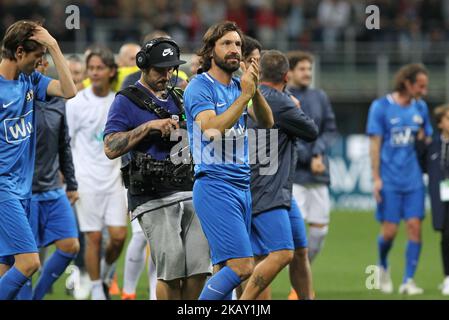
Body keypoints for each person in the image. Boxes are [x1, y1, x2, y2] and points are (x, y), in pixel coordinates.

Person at [103, 37, 211, 300]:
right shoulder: (126, 100)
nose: (166, 75)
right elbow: (110, 147)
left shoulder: (179, 97)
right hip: (152, 195)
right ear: (143, 66)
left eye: (170, 69)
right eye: (159, 70)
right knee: (172, 267)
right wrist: (148, 127)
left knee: (200, 268)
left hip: (189, 189)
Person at [183, 21, 274, 300]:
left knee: (224, 266)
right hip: (214, 184)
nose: (235, 49)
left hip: (241, 185)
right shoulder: (200, 87)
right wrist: (245, 95)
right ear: (211, 51)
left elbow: (268, 122)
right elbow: (211, 130)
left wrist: (253, 90)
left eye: (238, 44)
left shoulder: (239, 86)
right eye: (227, 44)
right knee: (242, 266)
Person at [0, 20, 76, 300]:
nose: (40, 64)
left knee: (6, 267)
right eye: (36, 57)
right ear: (19, 52)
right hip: (3, 189)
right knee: (30, 262)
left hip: (24, 190)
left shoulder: (29, 79)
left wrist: (54, 46)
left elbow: (69, 91)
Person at [243, 50, 318, 300]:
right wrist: (294, 104)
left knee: (299, 250)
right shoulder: (280, 101)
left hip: (276, 189)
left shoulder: (247, 96)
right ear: (287, 75)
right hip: (267, 187)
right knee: (280, 253)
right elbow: (311, 131)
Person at [66, 47, 128, 300]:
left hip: (115, 181)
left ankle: (102, 275)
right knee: (92, 238)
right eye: (91, 68)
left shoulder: (119, 101)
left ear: (111, 71)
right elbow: (66, 142)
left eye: (99, 68)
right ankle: (96, 290)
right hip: (86, 180)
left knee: (118, 238)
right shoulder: (77, 102)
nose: (94, 73)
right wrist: (69, 179)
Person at [366, 63, 433, 295]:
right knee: (390, 232)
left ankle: (408, 281)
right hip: (390, 180)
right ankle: (383, 265)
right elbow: (374, 145)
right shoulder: (381, 107)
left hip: (414, 180)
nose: (424, 91)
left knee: (415, 227)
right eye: (421, 86)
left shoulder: (421, 108)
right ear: (407, 83)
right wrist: (376, 178)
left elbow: (426, 138)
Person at [21, 54, 80, 300]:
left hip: (52, 188)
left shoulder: (57, 99)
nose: (38, 64)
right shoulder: (16, 98)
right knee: (25, 261)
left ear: (45, 65)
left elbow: (63, 144)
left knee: (70, 246)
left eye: (41, 60)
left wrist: (72, 183)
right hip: (23, 192)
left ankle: (37, 296)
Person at [287, 51, 337, 299]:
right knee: (295, 238)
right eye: (303, 69)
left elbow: (329, 130)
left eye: (309, 69)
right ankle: (299, 288)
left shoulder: (320, 96)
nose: (307, 73)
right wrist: (309, 157)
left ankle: (301, 278)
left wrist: (317, 154)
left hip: (318, 175)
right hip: (294, 176)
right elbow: (287, 135)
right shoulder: (285, 98)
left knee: (320, 231)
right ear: (291, 72)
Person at [424, 105, 449, 295]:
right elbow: (422, 163)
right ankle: (447, 277)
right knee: (445, 236)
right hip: (441, 196)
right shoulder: (432, 144)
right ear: (440, 123)